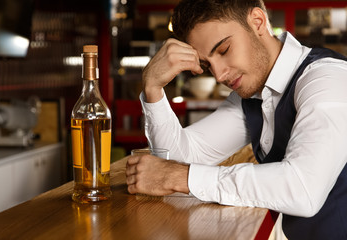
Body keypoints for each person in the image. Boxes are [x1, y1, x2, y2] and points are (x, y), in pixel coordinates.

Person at [125, 0, 347, 239]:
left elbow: (303, 189)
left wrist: (180, 177)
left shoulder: (326, 78)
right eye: (207, 65)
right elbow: (176, 161)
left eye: (223, 50)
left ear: (258, 22)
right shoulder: (252, 94)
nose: (220, 74)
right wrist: (153, 88)